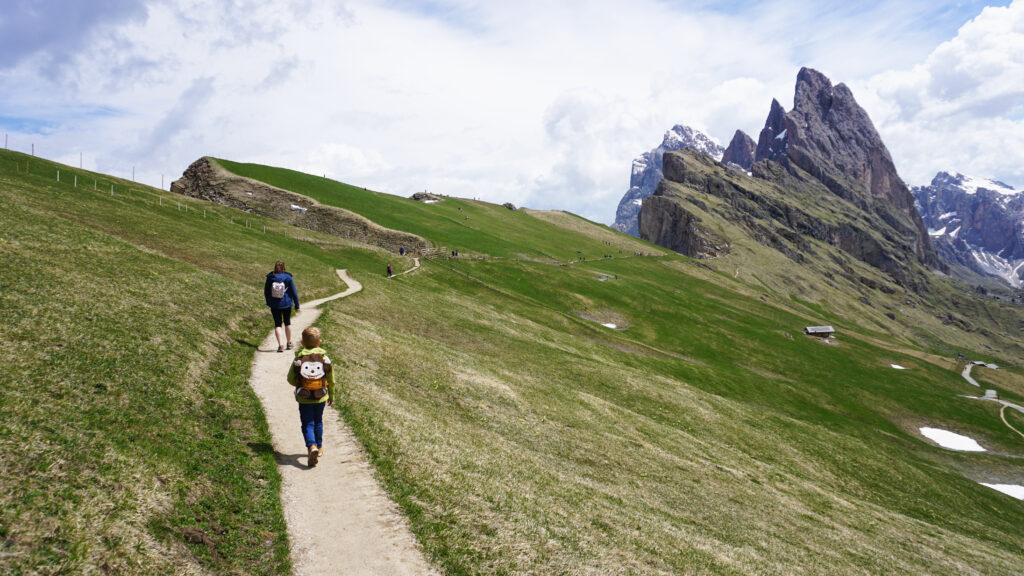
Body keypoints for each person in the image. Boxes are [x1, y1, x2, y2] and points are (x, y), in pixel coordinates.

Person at [288, 327, 336, 467]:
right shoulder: (325, 359)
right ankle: (319, 447)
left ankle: (311, 446)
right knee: (318, 421)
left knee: (308, 423)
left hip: (304, 397)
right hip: (321, 396)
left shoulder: (299, 359)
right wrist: (331, 395)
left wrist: (299, 383)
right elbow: (331, 380)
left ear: (302, 343)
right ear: (319, 342)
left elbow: (290, 379)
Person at [265, 260, 300, 353]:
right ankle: (289, 343)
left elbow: (266, 292)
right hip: (286, 304)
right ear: (284, 267)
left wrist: (269, 302)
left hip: (275, 305)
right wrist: (297, 305)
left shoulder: (270, 277)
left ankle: (280, 345)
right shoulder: (288, 277)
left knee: (277, 324)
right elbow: (294, 292)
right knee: (287, 322)